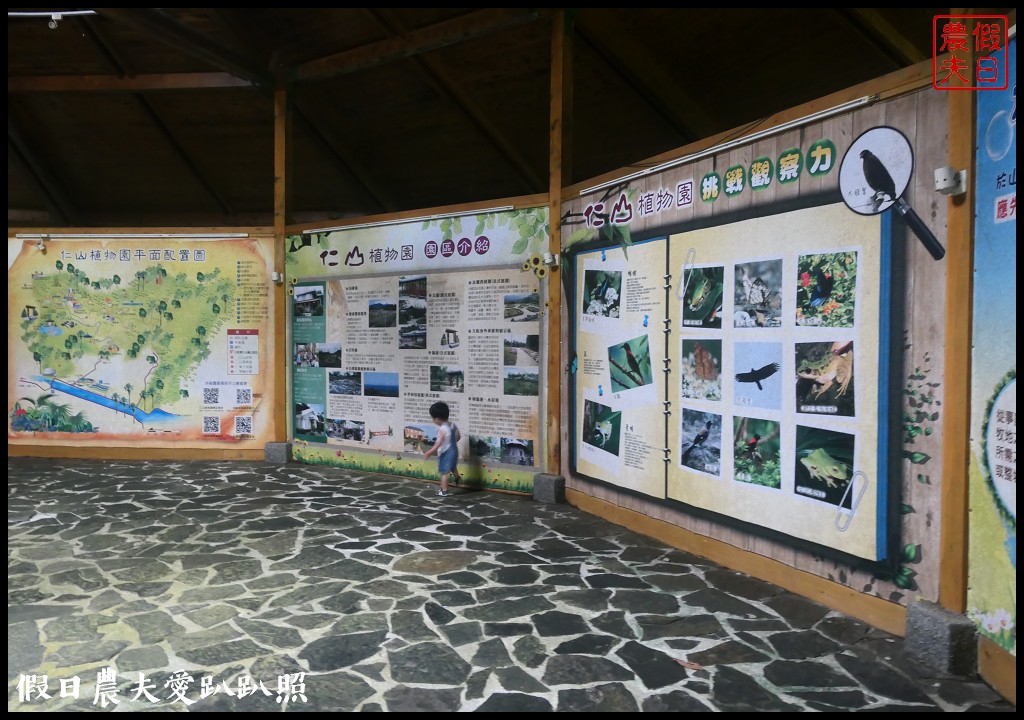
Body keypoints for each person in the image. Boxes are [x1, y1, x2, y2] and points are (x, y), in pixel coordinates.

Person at [422, 401, 461, 496]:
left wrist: (429, 452)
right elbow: (458, 436)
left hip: (446, 452)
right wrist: (451, 442)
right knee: (452, 466)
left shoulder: (442, 429)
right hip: (454, 450)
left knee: (444, 472)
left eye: (433, 418)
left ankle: (444, 490)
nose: (433, 420)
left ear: (437, 419)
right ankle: (457, 477)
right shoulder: (452, 425)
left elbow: (438, 443)